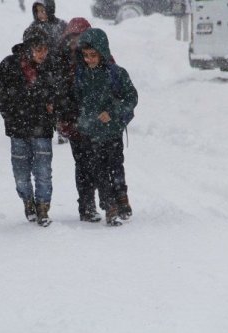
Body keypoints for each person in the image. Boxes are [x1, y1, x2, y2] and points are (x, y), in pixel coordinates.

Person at [0, 27, 57, 227]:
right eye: (38, 49)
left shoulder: (51, 66)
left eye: (45, 49)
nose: (42, 54)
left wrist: (53, 105)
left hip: (43, 128)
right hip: (18, 129)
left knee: (43, 171)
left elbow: (60, 89)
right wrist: (10, 113)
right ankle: (27, 201)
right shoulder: (9, 64)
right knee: (21, 172)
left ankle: (43, 207)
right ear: (28, 48)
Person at [74, 28, 138, 226]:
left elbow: (131, 97)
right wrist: (84, 121)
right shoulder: (82, 75)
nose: (89, 60)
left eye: (93, 55)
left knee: (116, 166)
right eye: (85, 56)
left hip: (112, 131)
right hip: (92, 133)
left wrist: (113, 112)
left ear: (102, 52)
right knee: (99, 170)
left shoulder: (116, 73)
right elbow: (78, 101)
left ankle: (121, 199)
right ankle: (109, 205)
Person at [55, 17, 103, 223]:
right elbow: (57, 91)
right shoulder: (61, 60)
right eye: (72, 37)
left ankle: (108, 202)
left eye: (80, 36)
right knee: (83, 164)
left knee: (101, 163)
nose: (75, 41)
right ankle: (87, 205)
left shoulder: (98, 55)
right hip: (75, 121)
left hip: (98, 122)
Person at [28, 0, 68, 144]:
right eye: (38, 11)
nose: (40, 14)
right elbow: (27, 48)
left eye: (43, 11)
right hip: (40, 69)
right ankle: (42, 127)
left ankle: (62, 127)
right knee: (43, 98)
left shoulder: (61, 25)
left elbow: (68, 44)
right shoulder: (32, 28)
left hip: (59, 68)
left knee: (61, 97)